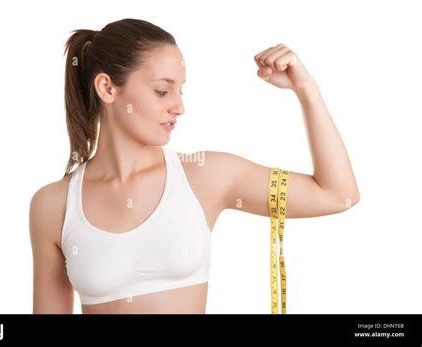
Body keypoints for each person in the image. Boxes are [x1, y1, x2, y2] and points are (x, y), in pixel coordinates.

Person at [29, 18, 360, 314]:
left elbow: (337, 194)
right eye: (162, 91)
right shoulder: (53, 205)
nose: (179, 106)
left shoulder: (206, 176)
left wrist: (306, 90)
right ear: (107, 88)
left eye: (180, 90)